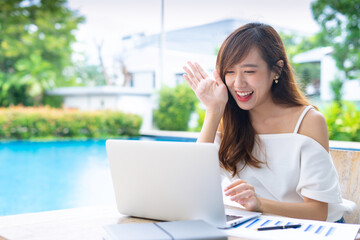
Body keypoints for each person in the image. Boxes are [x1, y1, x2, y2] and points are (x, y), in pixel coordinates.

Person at [183, 22, 354, 222]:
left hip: (312, 229)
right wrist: (213, 110)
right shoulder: (227, 118)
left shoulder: (308, 121)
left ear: (277, 70)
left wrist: (260, 203)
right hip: (256, 225)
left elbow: (318, 213)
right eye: (229, 72)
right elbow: (193, 186)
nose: (238, 83)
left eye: (249, 71)